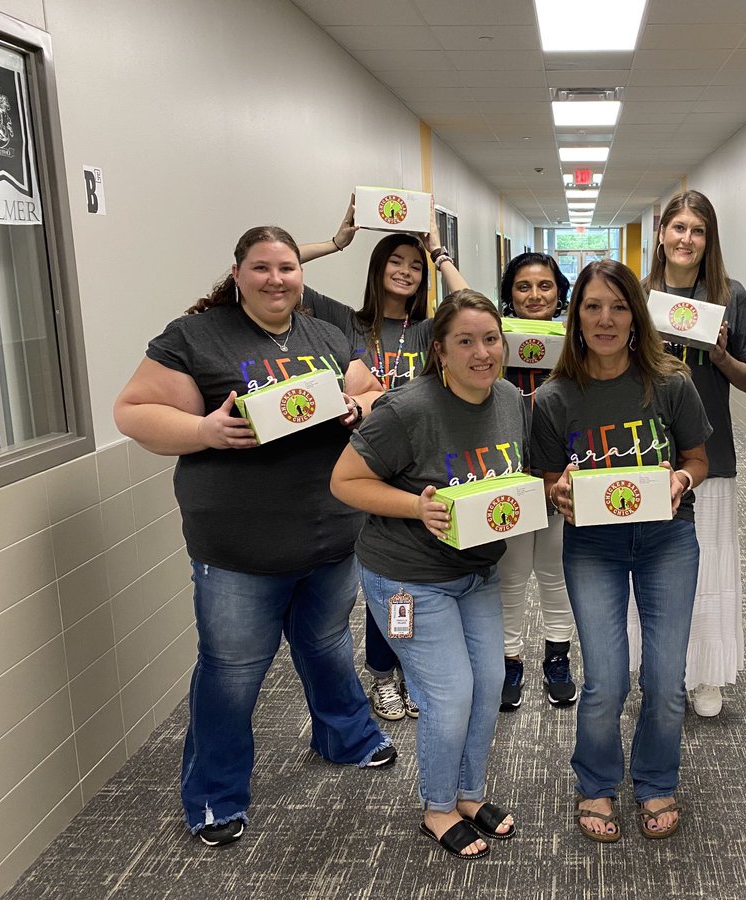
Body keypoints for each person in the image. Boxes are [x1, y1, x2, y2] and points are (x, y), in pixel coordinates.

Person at [113, 226, 395, 847]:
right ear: (237, 273)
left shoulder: (325, 333)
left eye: (287, 268)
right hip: (239, 546)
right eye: (262, 267)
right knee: (233, 672)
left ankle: (347, 736)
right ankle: (215, 797)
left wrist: (360, 409)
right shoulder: (197, 336)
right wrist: (205, 431)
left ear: (301, 275)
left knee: (325, 644)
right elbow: (133, 411)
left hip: (329, 534)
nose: (276, 279)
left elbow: (371, 391)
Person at [330, 290, 524, 860]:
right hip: (408, 578)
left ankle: (468, 795)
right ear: (439, 350)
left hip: (476, 573)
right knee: (450, 695)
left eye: (490, 339)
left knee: (488, 685)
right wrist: (418, 506)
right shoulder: (407, 409)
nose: (481, 352)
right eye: (465, 341)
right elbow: (344, 482)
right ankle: (437, 809)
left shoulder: (511, 399)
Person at [531, 259, 711, 842]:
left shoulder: (671, 382)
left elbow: (697, 460)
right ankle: (597, 783)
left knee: (664, 676)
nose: (605, 319)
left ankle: (657, 780)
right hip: (593, 546)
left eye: (617, 305)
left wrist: (682, 482)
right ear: (575, 316)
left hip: (667, 540)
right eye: (592, 307)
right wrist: (557, 492)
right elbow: (549, 478)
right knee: (606, 679)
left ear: (636, 313)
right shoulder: (556, 397)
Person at [299, 195, 468, 723]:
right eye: (396, 262)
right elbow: (276, 275)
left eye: (414, 267)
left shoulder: (425, 332)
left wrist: (438, 253)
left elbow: (471, 301)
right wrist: (336, 241)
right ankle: (381, 676)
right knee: (372, 577)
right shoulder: (344, 324)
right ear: (377, 269)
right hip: (359, 464)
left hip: (415, 468)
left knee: (402, 580)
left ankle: (402, 672)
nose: (406, 272)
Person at [629, 190, 746, 718]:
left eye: (697, 230)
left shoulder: (731, 294)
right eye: (678, 227)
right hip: (643, 452)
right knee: (651, 567)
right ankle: (659, 672)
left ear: (709, 240)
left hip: (710, 454)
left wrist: (720, 353)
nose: (686, 239)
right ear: (661, 235)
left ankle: (705, 675)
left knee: (708, 566)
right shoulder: (638, 293)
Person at [468, 252, 578, 711]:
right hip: (507, 478)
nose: (535, 295)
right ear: (509, 295)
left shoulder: (578, 343)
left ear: (560, 293)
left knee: (556, 572)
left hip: (561, 474)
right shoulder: (494, 344)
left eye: (546, 286)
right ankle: (509, 659)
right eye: (523, 287)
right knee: (510, 575)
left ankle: (558, 656)